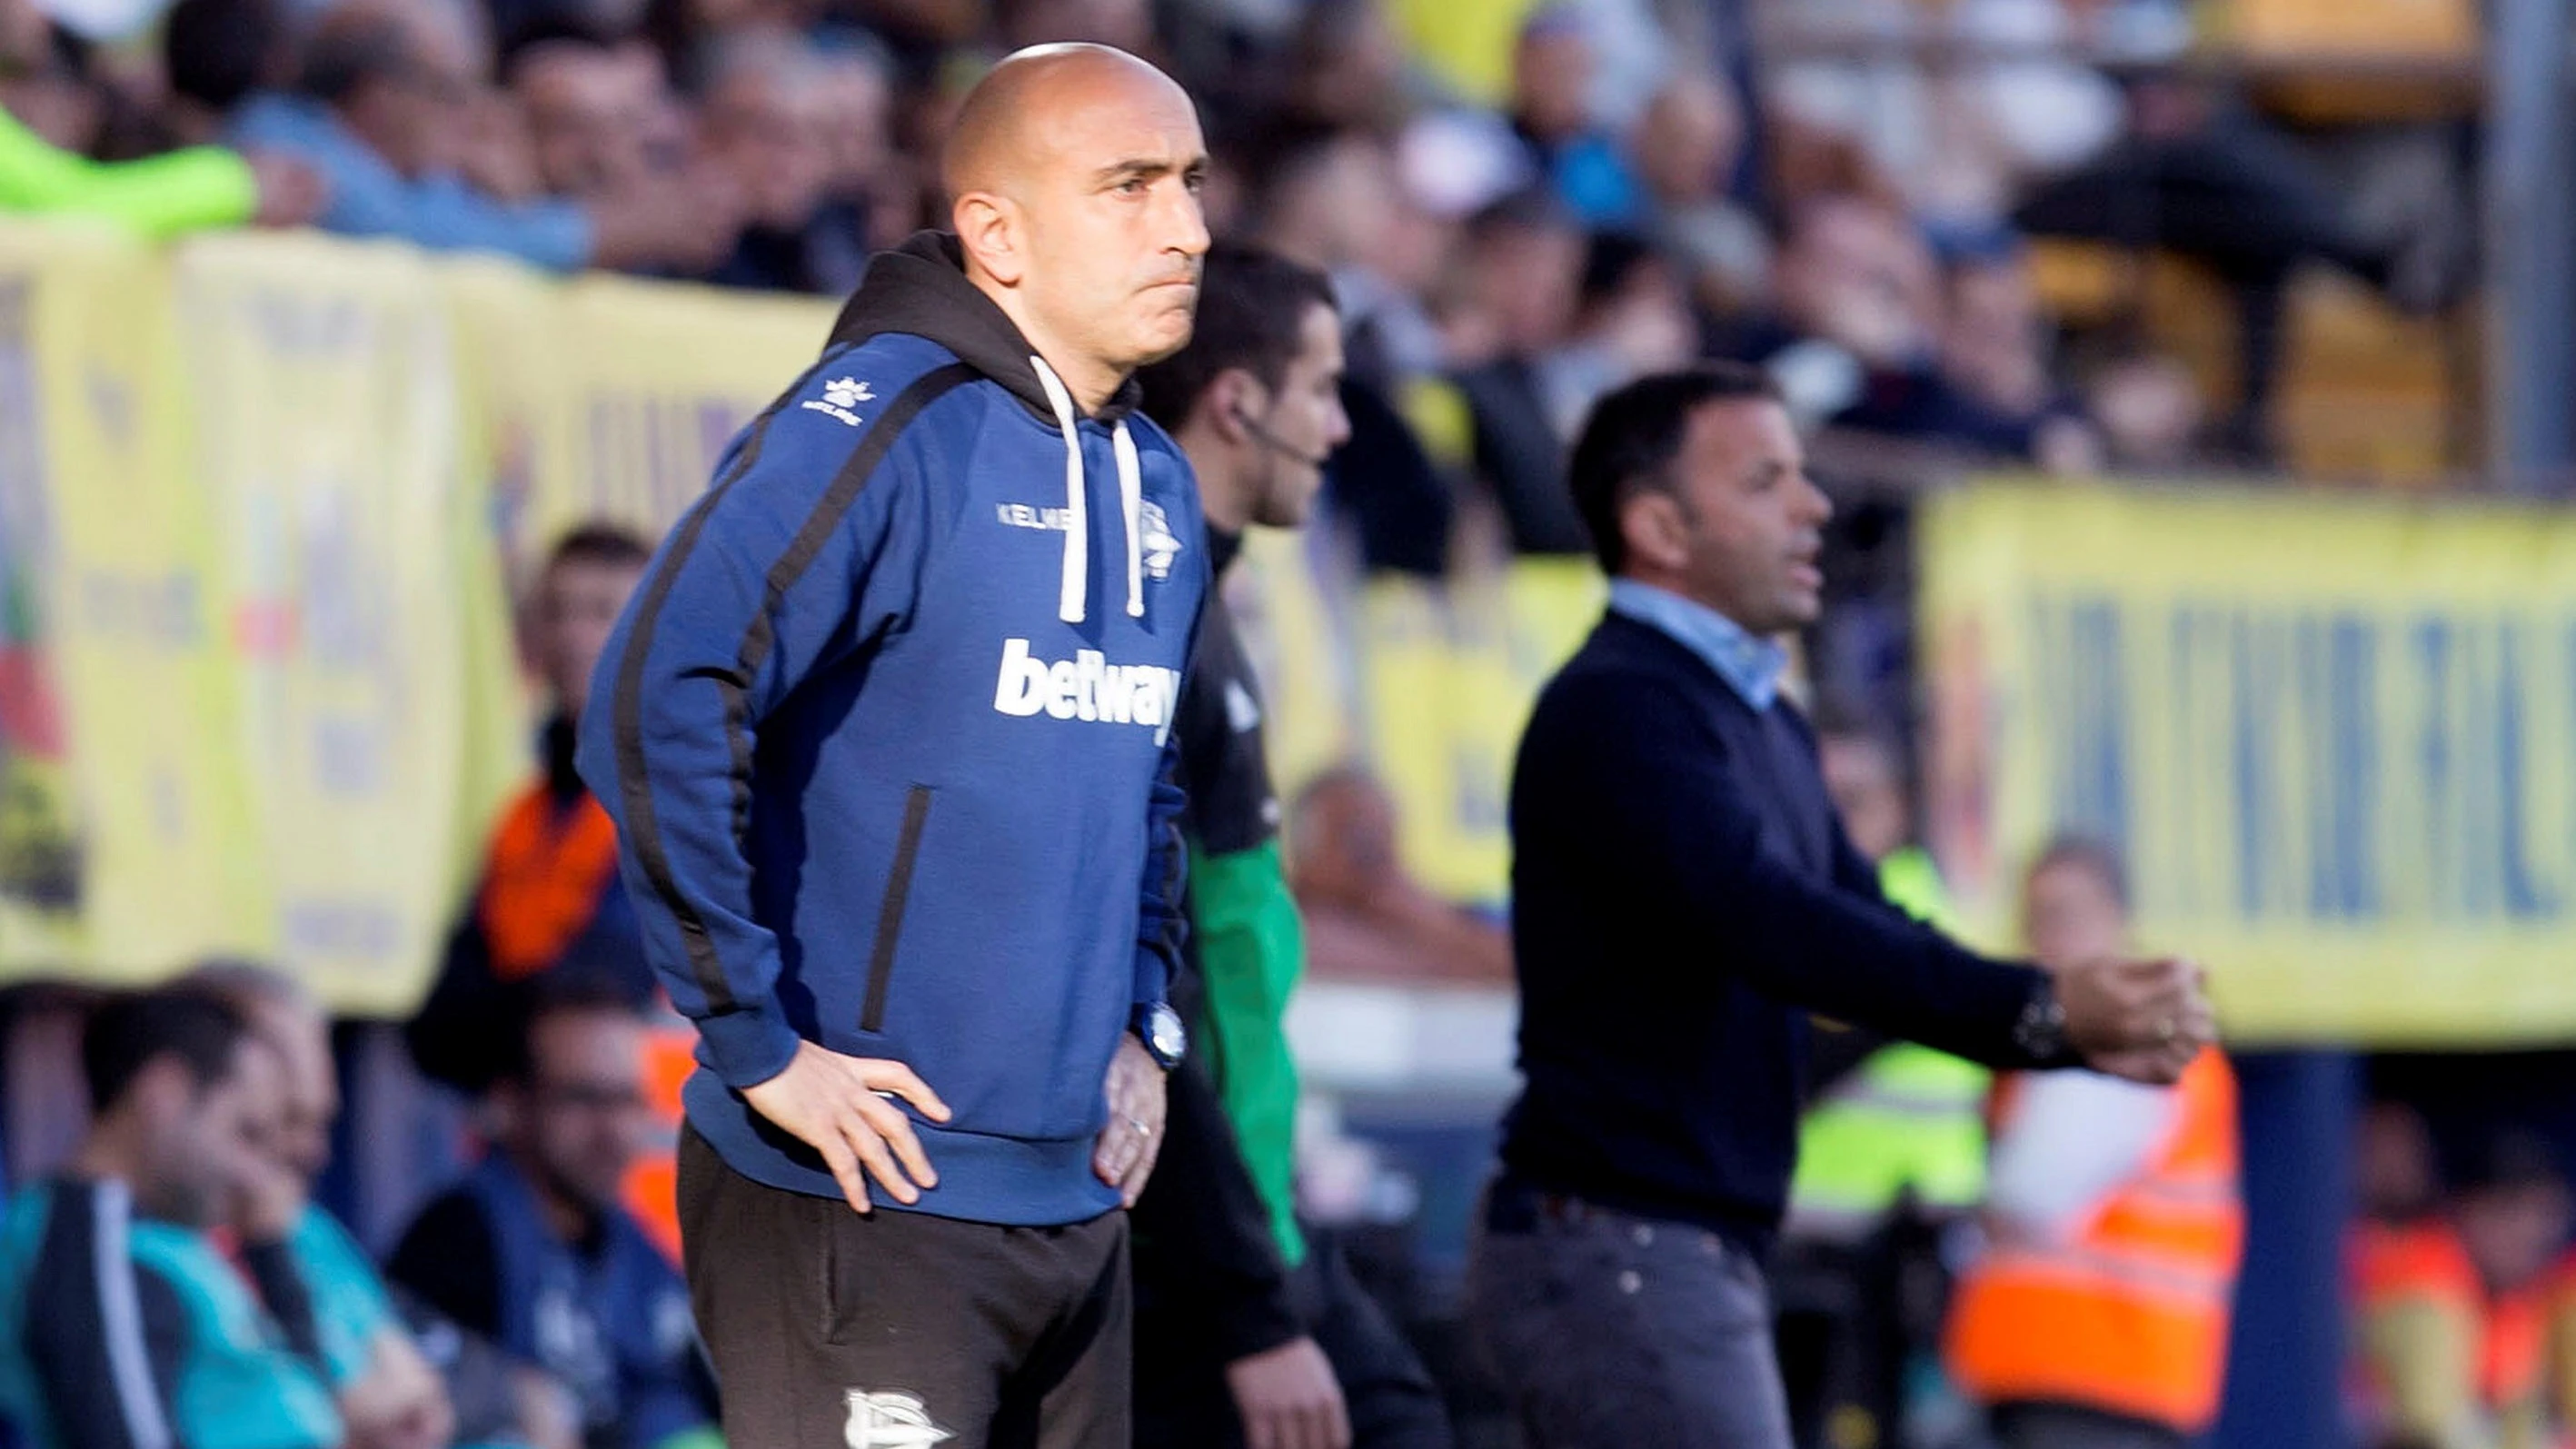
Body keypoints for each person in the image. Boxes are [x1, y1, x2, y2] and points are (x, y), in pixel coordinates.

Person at [576, 40, 1212, 1448]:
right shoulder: (879, 425)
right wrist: (752, 1037)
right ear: (994, 231)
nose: (1187, 228)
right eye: (1127, 185)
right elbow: (653, 691)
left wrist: (1139, 1022)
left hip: (1070, 1205)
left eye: (1188, 183)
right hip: (859, 1201)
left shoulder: (1154, 474)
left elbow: (1148, 775)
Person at [1467, 362, 2214, 1449]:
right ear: (1660, 525)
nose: (1814, 505)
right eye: (1768, 480)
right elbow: (1778, 923)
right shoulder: (1625, 706)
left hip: (1677, 1250)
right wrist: (2051, 1009)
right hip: (1624, 1250)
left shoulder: (1758, 714)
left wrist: (2055, 1023)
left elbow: (1863, 933)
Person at [1131, 240, 1451, 1449]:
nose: (1336, 427)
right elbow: (1148, 986)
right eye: (1319, 387)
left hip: (1245, 1221)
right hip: (1188, 1253)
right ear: (1235, 400)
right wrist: (1245, 1303)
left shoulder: (1193, 605)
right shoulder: (1148, 622)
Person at [1945, 838, 2244, 1449]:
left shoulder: (2126, 1035)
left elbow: (2033, 1189)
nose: (2049, 938)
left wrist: (1956, 1216)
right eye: (2037, 918)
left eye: (2067, 914)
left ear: (2116, 918)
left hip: (2093, 1386)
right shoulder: (2074, 1039)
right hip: (2066, 1385)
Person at [0, 987, 342, 1449]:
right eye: (243, 1132)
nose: (254, 1174)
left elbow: (314, 1409)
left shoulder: (165, 1236)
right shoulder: (88, 1235)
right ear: (166, 1092)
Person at [390, 981, 719, 1449]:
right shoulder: (459, 1236)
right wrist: (507, 1397)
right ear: (509, 1103)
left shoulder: (633, 1243)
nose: (614, 1131)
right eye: (583, 1098)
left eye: (627, 1100)